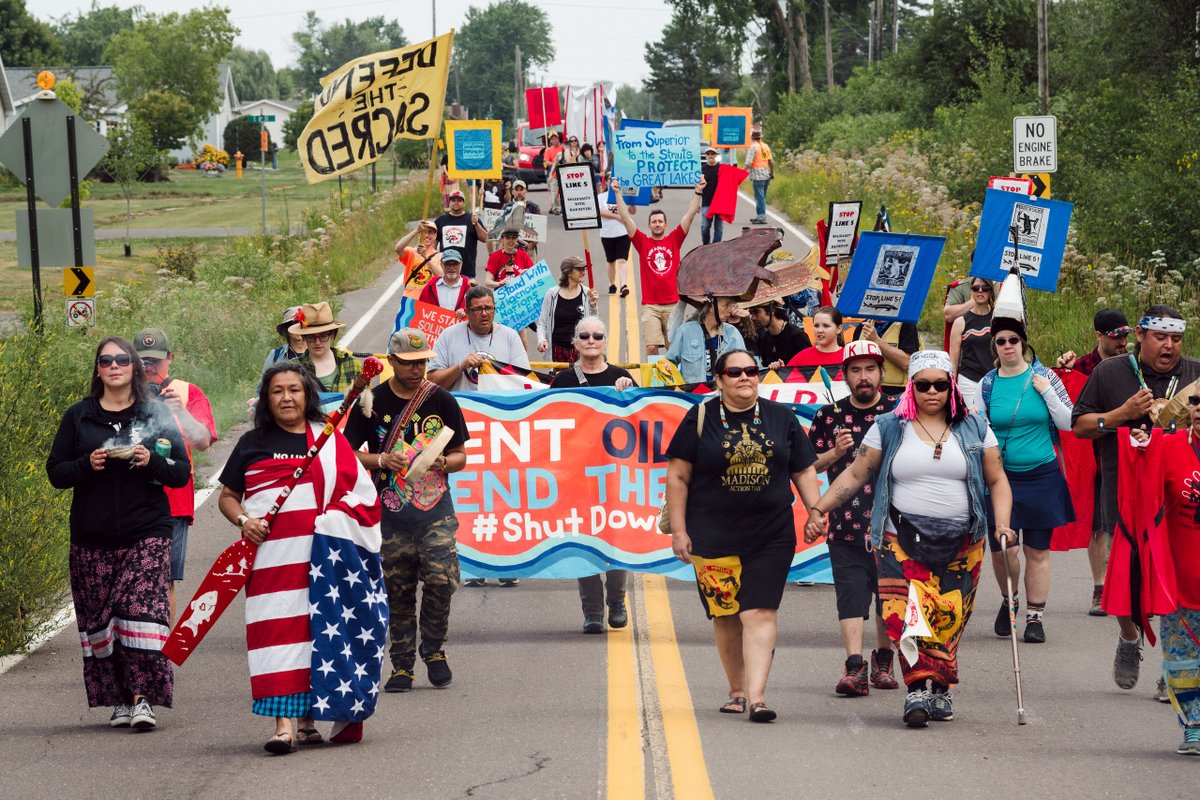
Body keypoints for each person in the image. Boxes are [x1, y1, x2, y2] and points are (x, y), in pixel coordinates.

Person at [806, 350, 1014, 728]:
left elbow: (997, 479)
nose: (931, 391)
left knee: (947, 617)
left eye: (939, 384)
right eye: (922, 385)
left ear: (951, 386)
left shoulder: (975, 427)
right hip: (899, 539)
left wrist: (1002, 523)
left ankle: (940, 687)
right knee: (904, 616)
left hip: (963, 543)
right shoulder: (889, 426)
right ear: (910, 387)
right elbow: (855, 474)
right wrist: (819, 509)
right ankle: (917, 688)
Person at [218, 362, 384, 752]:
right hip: (272, 562)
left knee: (317, 635)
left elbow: (363, 496)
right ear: (266, 398)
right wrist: (244, 520)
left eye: (294, 389)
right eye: (277, 391)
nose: (286, 397)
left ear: (307, 394)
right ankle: (283, 725)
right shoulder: (251, 443)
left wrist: (333, 520)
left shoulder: (327, 440)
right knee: (278, 634)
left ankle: (309, 720)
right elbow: (228, 497)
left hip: (324, 561)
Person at [666, 349, 822, 722]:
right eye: (734, 372)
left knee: (759, 611)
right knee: (726, 613)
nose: (745, 377)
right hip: (712, 533)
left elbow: (803, 470)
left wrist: (815, 510)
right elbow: (678, 476)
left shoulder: (780, 417)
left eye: (751, 371)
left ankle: (757, 697)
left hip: (772, 533)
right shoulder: (700, 417)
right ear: (719, 379)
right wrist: (679, 530)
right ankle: (736, 689)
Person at [46, 337, 191, 732]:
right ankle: (121, 700)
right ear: (98, 369)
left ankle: (144, 700)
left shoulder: (153, 414)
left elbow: (180, 472)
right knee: (103, 622)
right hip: (92, 537)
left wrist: (152, 460)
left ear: (135, 368)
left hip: (148, 530)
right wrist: (85, 464)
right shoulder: (78, 417)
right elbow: (56, 472)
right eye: (106, 360)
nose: (114, 365)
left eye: (122, 359)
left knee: (138, 611)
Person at [1071, 305, 1200, 691]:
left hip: (1182, 493)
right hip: (1126, 489)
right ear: (1141, 336)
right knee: (1127, 579)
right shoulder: (1111, 373)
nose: (1169, 346)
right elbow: (1079, 427)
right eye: (1161, 337)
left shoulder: (1195, 374)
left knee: (1179, 580)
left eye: (1176, 339)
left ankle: (1174, 665)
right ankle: (1129, 638)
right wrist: (1121, 414)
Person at [344, 329, 470, 693]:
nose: (417, 370)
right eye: (409, 363)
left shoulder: (441, 399)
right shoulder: (372, 400)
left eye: (422, 363)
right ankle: (401, 665)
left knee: (441, 579)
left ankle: (433, 648)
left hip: (435, 509)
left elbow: (462, 456)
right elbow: (347, 453)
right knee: (396, 589)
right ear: (392, 362)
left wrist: (442, 461)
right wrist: (382, 459)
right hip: (390, 511)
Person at [807, 341, 899, 696]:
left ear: (881, 373)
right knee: (851, 595)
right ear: (844, 375)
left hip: (891, 524)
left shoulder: (897, 412)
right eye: (856, 370)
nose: (864, 377)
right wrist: (836, 451)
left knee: (888, 596)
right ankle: (854, 666)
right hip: (845, 523)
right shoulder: (828, 416)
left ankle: (884, 660)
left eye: (870, 369)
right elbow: (807, 465)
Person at [978, 317, 1075, 644]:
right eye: (1001, 341)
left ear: (1023, 343)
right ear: (995, 347)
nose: (1007, 346)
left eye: (1013, 340)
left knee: (1037, 550)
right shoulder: (987, 384)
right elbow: (978, 428)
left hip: (1042, 475)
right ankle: (1010, 599)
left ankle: (1035, 617)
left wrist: (1047, 392)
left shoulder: (1045, 376)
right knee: (1003, 549)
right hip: (1000, 478)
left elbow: (1068, 422)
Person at [549, 317, 635, 632]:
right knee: (581, 542)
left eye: (597, 335)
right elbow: (546, 423)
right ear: (575, 342)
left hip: (613, 475)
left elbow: (640, 419)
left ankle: (616, 601)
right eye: (584, 335)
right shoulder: (561, 381)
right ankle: (593, 611)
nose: (591, 340)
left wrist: (630, 391)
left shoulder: (621, 377)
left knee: (614, 539)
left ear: (605, 341)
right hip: (575, 477)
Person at [1126, 405, 1200, 755]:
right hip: (1181, 581)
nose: (1199, 411)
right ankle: (1194, 728)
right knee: (1182, 661)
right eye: (1197, 404)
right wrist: (1140, 445)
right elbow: (1140, 471)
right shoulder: (1169, 446)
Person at [134, 327, 218, 624]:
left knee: (164, 579)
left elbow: (204, 440)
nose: (149, 367)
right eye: (142, 360)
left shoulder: (186, 392)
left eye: (155, 360)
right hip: (128, 497)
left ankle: (160, 653)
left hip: (173, 501)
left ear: (170, 358)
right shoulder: (122, 392)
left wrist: (180, 412)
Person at [1055, 308, 1132, 614]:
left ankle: (1128, 583)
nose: (1122, 343)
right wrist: (1062, 369)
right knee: (1098, 526)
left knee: (1129, 522)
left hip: (1128, 453)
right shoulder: (1083, 366)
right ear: (1099, 336)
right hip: (1094, 458)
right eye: (1115, 338)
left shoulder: (1133, 364)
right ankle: (1100, 589)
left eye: (1125, 336)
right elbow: (1055, 389)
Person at [611, 176, 705, 355]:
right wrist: (617, 193)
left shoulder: (674, 239)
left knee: (674, 347)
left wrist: (698, 191)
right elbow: (625, 218)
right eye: (654, 222)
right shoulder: (642, 242)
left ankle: (672, 380)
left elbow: (690, 214)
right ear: (649, 225)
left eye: (660, 221)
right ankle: (653, 379)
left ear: (665, 224)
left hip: (673, 304)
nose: (657, 224)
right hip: (651, 305)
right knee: (652, 346)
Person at [428, 286, 531, 395]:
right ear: (467, 312)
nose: (484, 313)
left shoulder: (510, 337)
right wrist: (460, 367)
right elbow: (432, 382)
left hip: (498, 408)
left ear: (494, 309)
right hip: (460, 408)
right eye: (478, 309)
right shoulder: (448, 335)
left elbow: (524, 381)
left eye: (488, 308)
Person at [666, 297, 747, 383]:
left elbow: (744, 364)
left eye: (731, 306)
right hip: (693, 394)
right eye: (726, 305)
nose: (730, 310)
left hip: (723, 393)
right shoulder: (685, 331)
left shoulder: (732, 333)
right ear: (711, 306)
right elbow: (669, 363)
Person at [292, 302, 363, 398]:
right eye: (311, 337)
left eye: (323, 335)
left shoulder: (353, 364)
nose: (317, 342)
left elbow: (365, 404)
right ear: (303, 337)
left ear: (333, 334)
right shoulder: (293, 369)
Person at [537, 256, 599, 364]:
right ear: (568, 272)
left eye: (584, 269)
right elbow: (542, 323)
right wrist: (542, 340)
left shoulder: (586, 293)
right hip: (557, 351)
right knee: (559, 380)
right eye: (579, 269)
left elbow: (593, 323)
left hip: (580, 351)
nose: (583, 272)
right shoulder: (552, 294)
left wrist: (593, 306)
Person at [948, 278, 994, 410]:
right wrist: (951, 386)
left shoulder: (997, 318)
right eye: (976, 288)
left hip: (995, 379)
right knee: (972, 420)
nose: (980, 291)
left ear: (990, 291)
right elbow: (954, 359)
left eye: (985, 288)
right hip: (969, 380)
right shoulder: (960, 322)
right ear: (971, 291)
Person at [850, 319, 921, 397]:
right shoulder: (862, 326)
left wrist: (877, 341)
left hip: (898, 393)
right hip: (867, 391)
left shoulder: (906, 324)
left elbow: (908, 363)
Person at [434, 190, 490, 280]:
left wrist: (476, 225)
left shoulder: (472, 219)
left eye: (459, 200)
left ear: (463, 203)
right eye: (453, 200)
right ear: (449, 203)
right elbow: (433, 246)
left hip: (467, 272)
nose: (456, 203)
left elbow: (485, 238)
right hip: (445, 271)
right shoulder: (440, 221)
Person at [255, 306, 307, 394]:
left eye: (302, 323)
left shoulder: (316, 353)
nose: (298, 328)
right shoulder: (275, 355)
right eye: (294, 324)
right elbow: (262, 388)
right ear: (286, 329)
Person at [394, 219, 444, 300]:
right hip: (410, 299)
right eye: (424, 232)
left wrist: (426, 258)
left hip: (429, 301)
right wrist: (416, 230)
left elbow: (441, 278)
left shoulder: (440, 256)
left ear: (435, 236)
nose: (427, 235)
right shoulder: (411, 252)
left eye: (430, 232)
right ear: (419, 235)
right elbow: (398, 248)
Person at [750, 303, 810, 369]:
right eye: (751, 313)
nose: (753, 318)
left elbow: (810, 369)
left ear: (772, 311)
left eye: (756, 312)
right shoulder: (765, 339)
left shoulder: (797, 336)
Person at [786, 306, 845, 372]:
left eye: (826, 326)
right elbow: (786, 379)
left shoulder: (849, 358)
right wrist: (780, 370)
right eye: (816, 326)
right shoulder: (801, 358)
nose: (819, 330)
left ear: (839, 328)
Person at [417, 248, 470, 317]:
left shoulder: (469, 286)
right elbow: (421, 310)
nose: (451, 268)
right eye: (447, 264)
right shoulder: (430, 286)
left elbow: (477, 310)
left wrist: (466, 311)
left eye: (455, 264)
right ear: (441, 265)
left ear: (461, 265)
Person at [598, 188, 631, 297]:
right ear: (607, 182)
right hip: (607, 233)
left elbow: (632, 211)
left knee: (622, 260)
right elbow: (600, 211)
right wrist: (617, 217)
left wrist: (632, 204)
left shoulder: (624, 195)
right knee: (611, 261)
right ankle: (612, 284)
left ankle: (623, 285)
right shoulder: (601, 197)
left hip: (623, 233)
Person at [743, 129, 774, 224]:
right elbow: (771, 162)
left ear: (752, 138)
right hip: (766, 174)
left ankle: (761, 216)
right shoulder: (765, 146)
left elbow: (748, 162)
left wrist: (740, 173)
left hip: (758, 176)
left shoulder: (753, 147)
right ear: (760, 137)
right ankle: (760, 215)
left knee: (759, 197)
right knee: (762, 197)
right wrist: (772, 173)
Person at [699, 147, 723, 245]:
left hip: (720, 203)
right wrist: (696, 203)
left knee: (719, 227)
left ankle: (715, 246)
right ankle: (706, 245)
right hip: (706, 202)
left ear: (716, 155)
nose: (710, 155)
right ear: (706, 156)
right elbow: (698, 187)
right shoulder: (702, 169)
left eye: (712, 154)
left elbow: (730, 185)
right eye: (708, 154)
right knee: (705, 226)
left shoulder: (722, 169)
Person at [543, 132, 564, 214]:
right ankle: (556, 208)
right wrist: (555, 164)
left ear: (558, 139)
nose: (554, 140)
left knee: (563, 192)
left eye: (555, 138)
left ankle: (563, 207)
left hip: (563, 173)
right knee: (554, 192)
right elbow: (546, 162)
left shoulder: (563, 148)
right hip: (554, 173)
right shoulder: (548, 150)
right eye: (552, 139)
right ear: (550, 140)